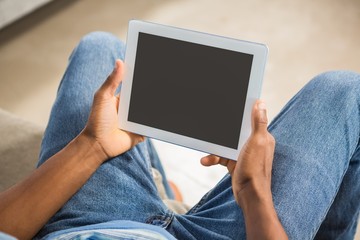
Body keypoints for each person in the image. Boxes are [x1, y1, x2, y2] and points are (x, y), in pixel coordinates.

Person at [0, 31, 359, 240]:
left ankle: (160, 192)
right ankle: (164, 193)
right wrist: (253, 192)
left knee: (99, 47)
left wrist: (92, 145)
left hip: (89, 226)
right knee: (345, 92)